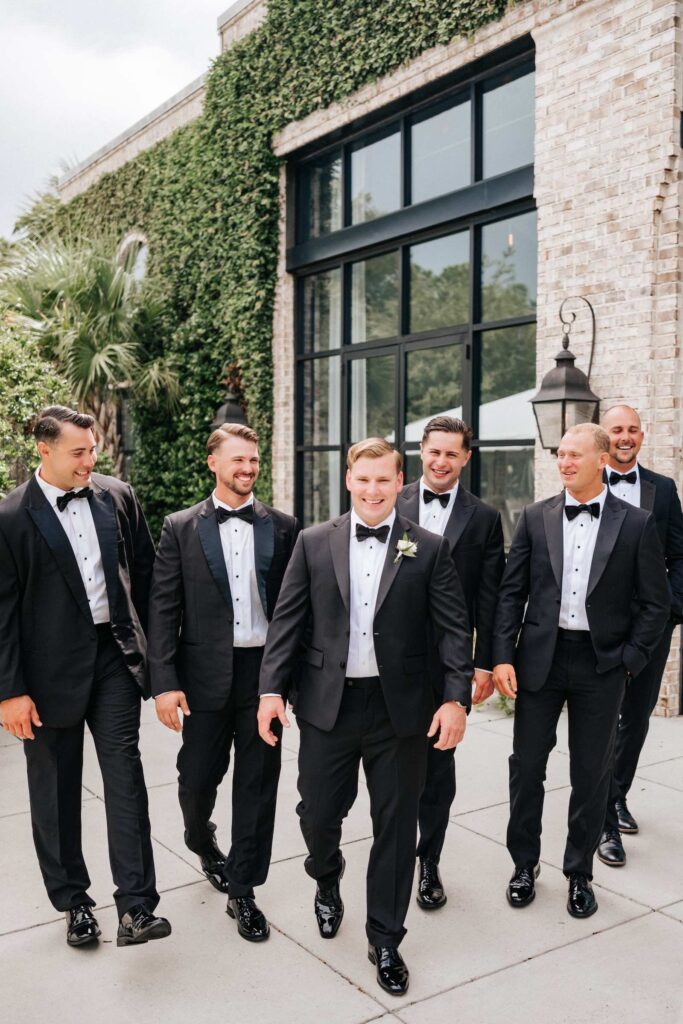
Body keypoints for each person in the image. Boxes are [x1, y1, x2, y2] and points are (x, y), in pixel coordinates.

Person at [257, 437, 473, 996]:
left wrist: (455, 698)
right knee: (319, 813)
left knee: (397, 828)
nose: (374, 490)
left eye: (384, 481)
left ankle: (386, 938)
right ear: (348, 479)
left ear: (398, 483)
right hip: (328, 705)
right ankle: (326, 879)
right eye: (364, 479)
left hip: (402, 710)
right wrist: (270, 691)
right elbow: (287, 623)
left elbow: (452, 630)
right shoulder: (312, 543)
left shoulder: (426, 547)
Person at [0, 405, 170, 948]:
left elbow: (143, 575)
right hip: (44, 675)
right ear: (43, 451)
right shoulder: (9, 518)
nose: (90, 461)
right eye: (79, 452)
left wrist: (154, 656)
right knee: (54, 792)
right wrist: (9, 692)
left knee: (126, 775)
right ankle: (74, 904)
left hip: (113, 657)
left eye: (93, 449)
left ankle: (136, 907)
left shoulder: (116, 495)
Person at [492, 423, 669, 919]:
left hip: (602, 664)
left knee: (590, 774)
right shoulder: (534, 516)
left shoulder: (635, 523)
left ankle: (579, 872)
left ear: (602, 460)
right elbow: (511, 593)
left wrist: (630, 660)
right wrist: (503, 655)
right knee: (526, 767)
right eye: (561, 454)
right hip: (539, 661)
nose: (565, 462)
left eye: (575, 455)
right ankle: (523, 864)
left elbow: (656, 603)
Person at [148, 422, 299, 942]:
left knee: (258, 787)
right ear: (212, 462)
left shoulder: (284, 526)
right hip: (203, 678)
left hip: (265, 677)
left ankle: (243, 891)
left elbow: (295, 611)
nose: (248, 469)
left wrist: (290, 681)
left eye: (254, 460)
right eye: (238, 460)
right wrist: (164, 683)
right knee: (196, 780)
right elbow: (163, 610)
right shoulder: (180, 527)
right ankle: (199, 835)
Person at [397, 415, 504, 911]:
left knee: (439, 767)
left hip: (448, 663)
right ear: (422, 450)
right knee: (392, 767)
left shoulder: (483, 517)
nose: (440, 461)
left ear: (466, 457)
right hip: (387, 660)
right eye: (433, 451)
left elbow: (490, 599)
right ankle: (391, 858)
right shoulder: (386, 500)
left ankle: (429, 861)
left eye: (451, 453)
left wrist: (483, 666)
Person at [596, 405, 683, 867]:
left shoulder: (663, 489)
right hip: (602, 627)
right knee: (605, 717)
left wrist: (671, 608)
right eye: (617, 430)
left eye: (632, 430)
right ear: (603, 437)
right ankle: (605, 820)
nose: (625, 436)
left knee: (638, 716)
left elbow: (679, 552)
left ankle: (616, 795)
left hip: (652, 625)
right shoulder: (586, 484)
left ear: (642, 436)